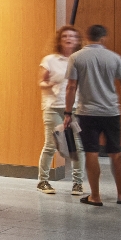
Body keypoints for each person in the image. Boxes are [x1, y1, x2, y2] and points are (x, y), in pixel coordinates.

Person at [64, 24, 121, 206]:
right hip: (111, 113)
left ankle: (95, 196)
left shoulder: (76, 57)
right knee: (115, 153)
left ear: (87, 37)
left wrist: (68, 112)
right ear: (103, 38)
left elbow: (71, 87)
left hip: (86, 114)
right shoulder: (114, 58)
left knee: (91, 152)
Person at [37, 26, 83, 195]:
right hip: (53, 108)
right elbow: (41, 82)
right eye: (65, 36)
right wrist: (51, 84)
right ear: (60, 40)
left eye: (72, 36)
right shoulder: (50, 60)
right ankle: (43, 181)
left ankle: (78, 183)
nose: (68, 39)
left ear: (78, 40)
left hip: (75, 108)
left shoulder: (80, 60)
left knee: (77, 146)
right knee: (51, 145)